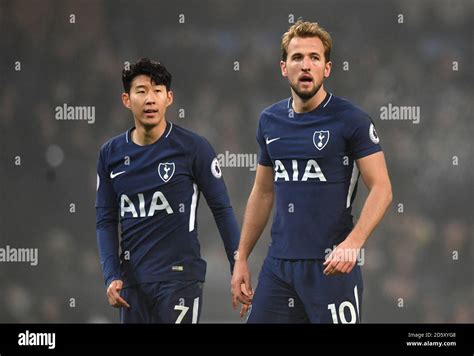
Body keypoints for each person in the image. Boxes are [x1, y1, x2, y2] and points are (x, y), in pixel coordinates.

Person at [231, 21, 392, 323]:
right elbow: (263, 192)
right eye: (297, 57)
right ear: (283, 67)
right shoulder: (270, 121)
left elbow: (382, 188)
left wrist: (353, 243)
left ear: (327, 68)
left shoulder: (352, 120)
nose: (306, 65)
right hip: (279, 267)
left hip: (332, 266)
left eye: (314, 58)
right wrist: (241, 259)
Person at [96, 58, 239, 323]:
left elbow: (222, 209)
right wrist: (111, 275)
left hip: (180, 278)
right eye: (141, 91)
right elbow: (105, 220)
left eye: (157, 91)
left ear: (169, 98)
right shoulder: (110, 155)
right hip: (132, 283)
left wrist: (237, 263)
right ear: (126, 100)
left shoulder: (194, 148)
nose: (150, 99)